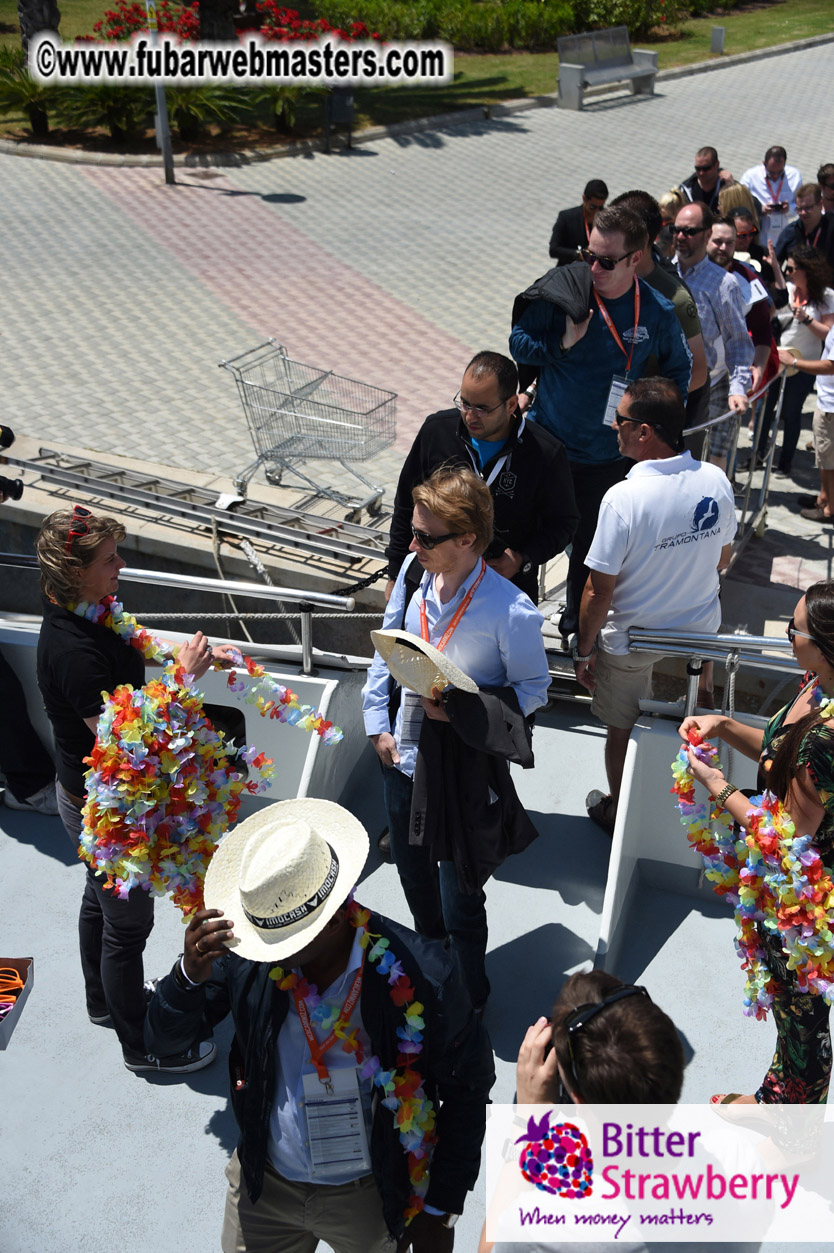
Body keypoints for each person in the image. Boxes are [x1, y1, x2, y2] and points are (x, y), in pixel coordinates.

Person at [145, 798, 494, 1252]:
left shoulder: (426, 976)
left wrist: (439, 1210)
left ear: (332, 921)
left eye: (283, 943)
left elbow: (468, 1088)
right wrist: (187, 977)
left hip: (371, 1194)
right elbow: (164, 1042)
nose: (267, 953)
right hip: (266, 1186)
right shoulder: (247, 956)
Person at [35, 506, 230, 1072]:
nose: (121, 565)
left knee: (99, 904)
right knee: (128, 928)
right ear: (76, 574)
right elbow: (123, 745)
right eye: (109, 559)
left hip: (91, 799)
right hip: (105, 811)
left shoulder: (91, 613)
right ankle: (139, 1045)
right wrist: (184, 679)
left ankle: (102, 1004)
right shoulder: (72, 651)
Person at [362, 466, 550, 1012]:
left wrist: (461, 712)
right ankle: (434, 970)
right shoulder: (413, 573)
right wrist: (376, 722)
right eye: (413, 531)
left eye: (426, 536)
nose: (412, 544)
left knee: (459, 893)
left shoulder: (511, 610)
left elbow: (533, 691)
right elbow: (388, 648)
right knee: (414, 877)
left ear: (467, 539)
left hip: (461, 765)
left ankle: (469, 1002)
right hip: (401, 754)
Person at [679, 580, 834, 1104]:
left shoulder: (828, 740)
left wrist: (716, 786)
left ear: (825, 645)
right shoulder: (817, 683)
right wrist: (722, 725)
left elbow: (782, 835)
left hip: (804, 909)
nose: (787, 636)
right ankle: (774, 1095)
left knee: (802, 1016)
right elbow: (775, 755)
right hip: (777, 888)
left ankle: (794, 1131)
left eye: (796, 631)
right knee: (792, 1010)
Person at [510, 204, 692, 640]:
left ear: (635, 258)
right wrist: (561, 342)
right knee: (526, 545)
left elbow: (680, 374)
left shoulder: (656, 311)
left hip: (605, 458)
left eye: (605, 261)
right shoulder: (566, 291)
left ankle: (575, 632)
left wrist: (654, 428)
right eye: (586, 255)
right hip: (546, 444)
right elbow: (519, 343)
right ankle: (518, 629)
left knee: (590, 555)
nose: (592, 267)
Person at [571, 379, 735, 835]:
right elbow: (722, 558)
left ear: (644, 432)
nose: (614, 428)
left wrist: (585, 652)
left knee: (619, 728)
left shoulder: (622, 498)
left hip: (632, 639)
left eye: (619, 421)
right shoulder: (716, 480)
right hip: (699, 634)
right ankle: (702, 805)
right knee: (699, 719)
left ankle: (617, 812)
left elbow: (596, 592)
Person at [478, 970, 684, 1253]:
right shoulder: (737, 1167)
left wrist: (528, 1121)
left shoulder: (542, 1227)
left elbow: (489, 1247)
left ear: (577, 1098)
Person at [385, 351, 578, 606]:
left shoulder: (545, 453)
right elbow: (405, 506)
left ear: (511, 405)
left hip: (503, 588)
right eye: (464, 403)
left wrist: (522, 558)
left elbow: (564, 524)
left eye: (482, 408)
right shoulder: (437, 432)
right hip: (432, 584)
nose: (470, 416)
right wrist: (396, 573)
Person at [674, 202, 753, 472]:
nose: (681, 237)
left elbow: (739, 342)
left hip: (702, 389)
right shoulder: (661, 273)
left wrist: (739, 388)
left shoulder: (723, 284)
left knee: (696, 464)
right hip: (661, 388)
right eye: (677, 230)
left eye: (689, 231)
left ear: (705, 234)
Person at [755, 244, 834, 477]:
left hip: (804, 365)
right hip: (778, 362)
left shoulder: (827, 296)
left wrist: (807, 319)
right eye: (786, 269)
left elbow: (828, 334)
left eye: (792, 269)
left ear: (807, 270)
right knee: (764, 410)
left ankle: (785, 462)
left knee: (791, 413)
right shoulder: (786, 290)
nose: (789, 273)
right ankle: (757, 456)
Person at [706, 215, 777, 397]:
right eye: (718, 241)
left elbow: (762, 328)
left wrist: (759, 366)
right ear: (706, 238)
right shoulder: (684, 273)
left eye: (729, 243)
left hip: (728, 379)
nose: (723, 248)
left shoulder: (748, 278)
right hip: (686, 378)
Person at [776, 323, 834, 522]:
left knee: (828, 458)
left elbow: (831, 366)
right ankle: (824, 498)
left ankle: (829, 509)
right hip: (827, 402)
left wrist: (794, 362)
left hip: (831, 406)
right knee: (824, 457)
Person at [740, 146, 802, 249]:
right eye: (772, 172)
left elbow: (800, 205)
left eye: (780, 172)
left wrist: (789, 209)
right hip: (758, 238)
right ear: (764, 164)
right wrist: (759, 209)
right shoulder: (750, 177)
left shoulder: (795, 176)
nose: (775, 176)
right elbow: (741, 203)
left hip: (782, 237)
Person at [773, 183, 834, 272]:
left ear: (820, 204)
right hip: (799, 283)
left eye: (808, 208)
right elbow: (776, 263)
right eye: (799, 209)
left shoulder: (831, 226)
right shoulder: (790, 232)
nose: (803, 213)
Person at [548, 179, 608, 264]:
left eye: (601, 208)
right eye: (593, 207)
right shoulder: (566, 217)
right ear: (584, 198)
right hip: (569, 270)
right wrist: (577, 254)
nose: (597, 212)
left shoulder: (607, 221)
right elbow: (553, 250)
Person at [677, 146, 732, 213]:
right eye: (698, 168)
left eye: (706, 168)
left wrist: (732, 186)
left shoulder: (727, 185)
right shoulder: (685, 190)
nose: (701, 173)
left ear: (717, 165)